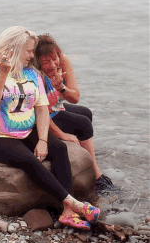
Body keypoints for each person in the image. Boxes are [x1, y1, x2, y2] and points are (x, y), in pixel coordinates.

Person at [0, 26, 100, 230]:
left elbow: (41, 109)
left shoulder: (31, 72)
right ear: (14, 47)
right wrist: (2, 75)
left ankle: (66, 212)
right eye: (29, 51)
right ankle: (73, 204)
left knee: (58, 149)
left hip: (25, 130)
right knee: (29, 160)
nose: (33, 55)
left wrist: (42, 140)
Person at [35, 33, 114, 193]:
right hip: (42, 114)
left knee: (86, 113)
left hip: (55, 107)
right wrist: (61, 134)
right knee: (83, 124)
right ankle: (97, 176)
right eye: (45, 62)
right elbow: (38, 111)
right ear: (37, 62)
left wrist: (61, 88)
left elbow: (75, 97)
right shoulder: (35, 74)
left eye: (54, 58)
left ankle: (86, 155)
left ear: (58, 52)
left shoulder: (63, 61)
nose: (52, 65)